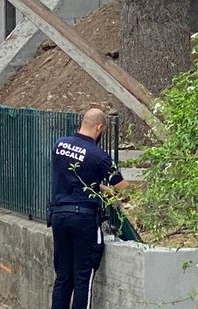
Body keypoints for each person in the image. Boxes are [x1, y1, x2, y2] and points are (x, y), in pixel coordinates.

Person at [49, 108, 129, 309]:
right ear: (100, 127)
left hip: (58, 215)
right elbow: (122, 188)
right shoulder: (99, 156)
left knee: (63, 277)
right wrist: (110, 192)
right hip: (84, 219)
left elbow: (73, 178)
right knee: (83, 278)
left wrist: (96, 186)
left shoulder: (59, 145)